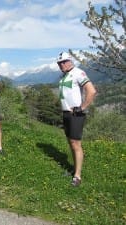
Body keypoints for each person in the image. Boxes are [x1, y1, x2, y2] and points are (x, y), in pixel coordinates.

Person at [56, 51, 97, 187]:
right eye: (59, 63)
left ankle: (77, 176)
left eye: (64, 62)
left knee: (76, 144)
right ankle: (74, 170)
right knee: (71, 143)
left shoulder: (78, 72)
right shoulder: (64, 76)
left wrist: (82, 107)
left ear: (70, 61)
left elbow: (91, 91)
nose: (61, 65)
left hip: (75, 114)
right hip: (66, 113)